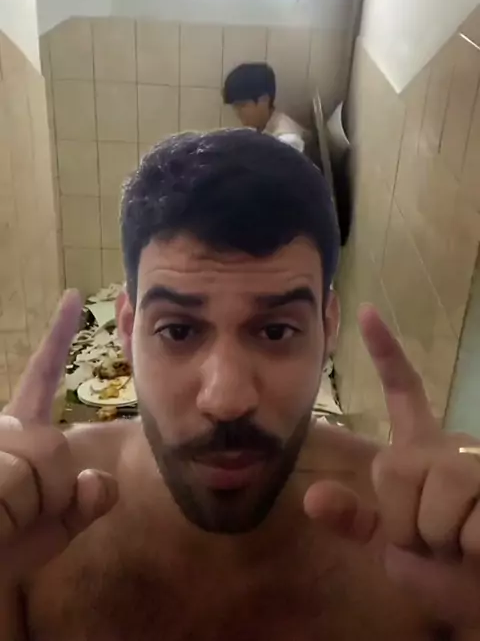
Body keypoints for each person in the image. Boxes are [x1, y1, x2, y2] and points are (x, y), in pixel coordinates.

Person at [1, 129, 480, 641]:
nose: (226, 400)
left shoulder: (428, 552)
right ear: (126, 329)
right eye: (178, 331)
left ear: (328, 327)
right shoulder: (29, 530)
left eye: (276, 332)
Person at [223, 62, 307, 152]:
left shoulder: (287, 141)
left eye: (242, 106)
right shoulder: (261, 129)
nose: (238, 113)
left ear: (264, 100)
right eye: (235, 106)